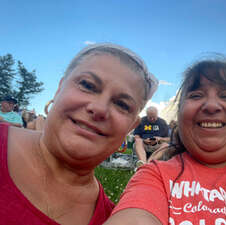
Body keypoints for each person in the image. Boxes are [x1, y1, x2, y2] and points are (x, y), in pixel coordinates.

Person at [104, 58, 226, 224]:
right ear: (180, 114)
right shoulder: (156, 176)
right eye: (196, 95)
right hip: (146, 146)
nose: (212, 105)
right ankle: (140, 159)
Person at [0, 43, 158, 225]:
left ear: (131, 126)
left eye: (122, 104)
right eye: (87, 85)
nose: (99, 108)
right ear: (59, 88)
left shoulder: (112, 219)